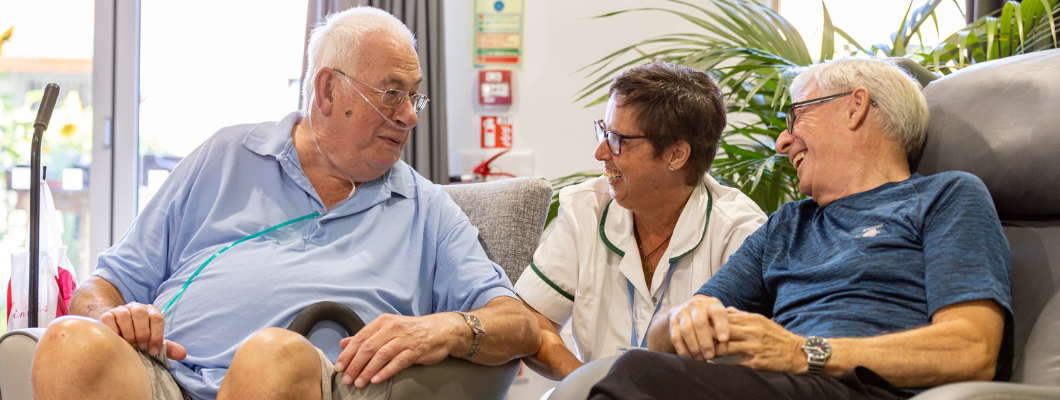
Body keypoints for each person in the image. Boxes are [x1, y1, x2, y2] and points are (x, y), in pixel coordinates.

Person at [30, 7, 539, 400]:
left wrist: (447, 326)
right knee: (69, 341)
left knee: (271, 354)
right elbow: (102, 287)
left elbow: (518, 324)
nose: (409, 116)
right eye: (391, 94)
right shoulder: (225, 154)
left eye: (415, 97)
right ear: (326, 89)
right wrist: (116, 317)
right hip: (166, 377)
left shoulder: (425, 208)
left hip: (298, 383)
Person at [588, 58, 1012, 399]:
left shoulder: (946, 196)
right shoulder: (788, 224)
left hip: (870, 388)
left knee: (635, 377)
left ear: (855, 106)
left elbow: (972, 350)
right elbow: (661, 339)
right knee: (640, 370)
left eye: (795, 117)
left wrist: (802, 352)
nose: (781, 142)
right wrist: (685, 317)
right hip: (786, 386)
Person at [514, 60, 767, 380]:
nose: (600, 152)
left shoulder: (740, 232)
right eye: (603, 131)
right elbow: (533, 319)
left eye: (618, 139)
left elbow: (756, 363)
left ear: (676, 154)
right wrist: (587, 385)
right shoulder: (586, 208)